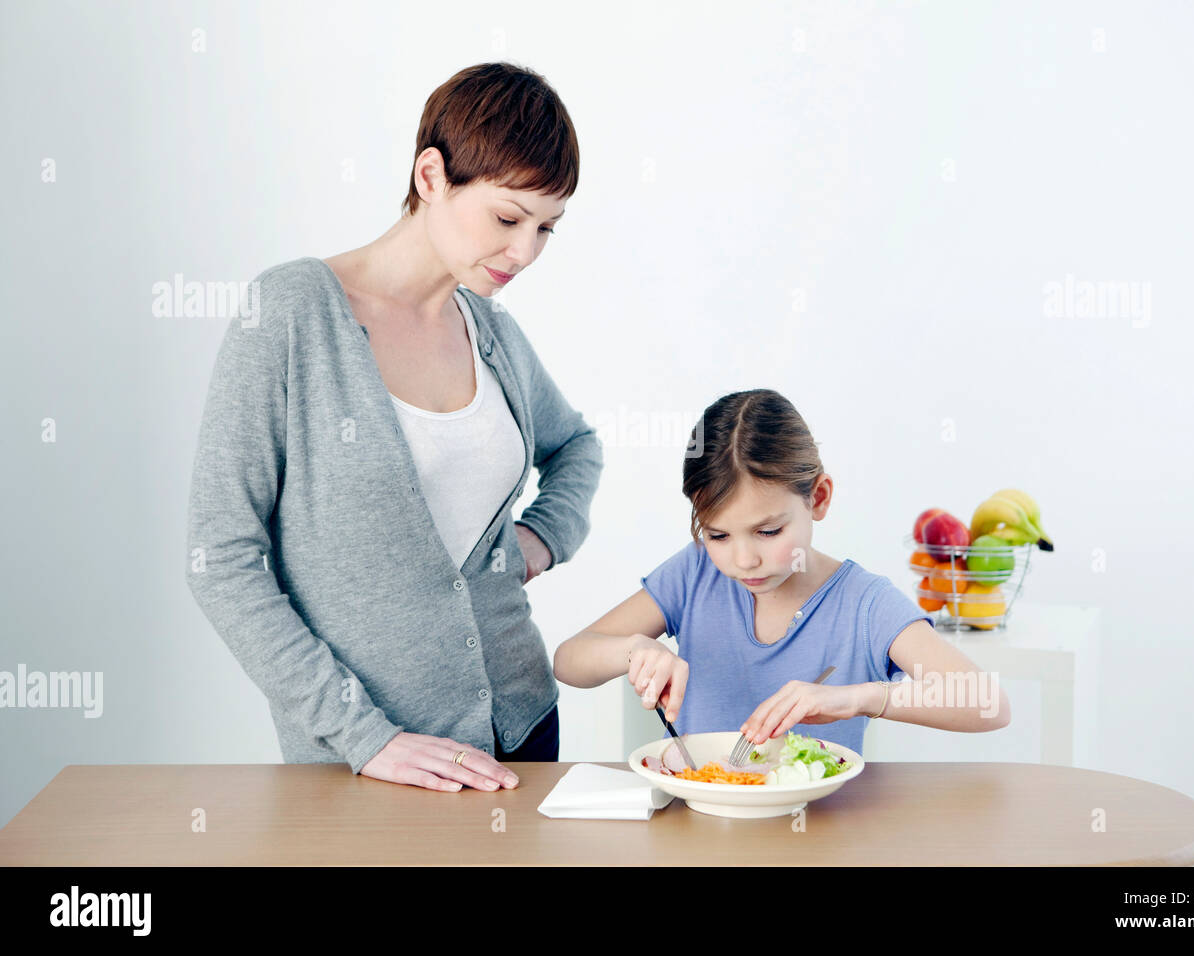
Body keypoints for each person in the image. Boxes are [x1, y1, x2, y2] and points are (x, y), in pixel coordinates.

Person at [186, 63, 601, 793]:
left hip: (523, 726)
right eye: (508, 218)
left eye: (547, 229)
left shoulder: (489, 331)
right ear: (432, 174)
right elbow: (221, 558)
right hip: (368, 759)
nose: (526, 253)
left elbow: (576, 446)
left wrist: (540, 540)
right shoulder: (291, 314)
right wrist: (362, 735)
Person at [553, 389, 1009, 754]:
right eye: (718, 536)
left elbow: (989, 704)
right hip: (702, 833)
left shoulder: (864, 603)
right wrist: (633, 650)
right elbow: (569, 660)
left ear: (820, 498)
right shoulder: (694, 574)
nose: (743, 560)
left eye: (768, 532)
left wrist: (858, 698)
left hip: (820, 839)